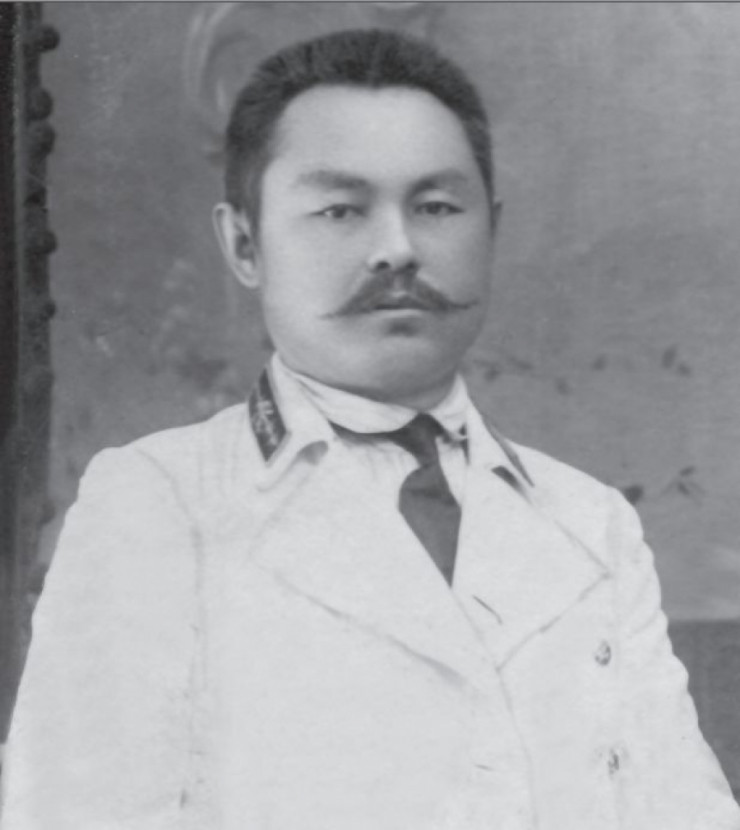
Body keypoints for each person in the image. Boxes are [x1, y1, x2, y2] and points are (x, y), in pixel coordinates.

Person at [1, 27, 738, 830]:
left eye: (436, 207)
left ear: (490, 228)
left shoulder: (590, 522)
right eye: (340, 210)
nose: (398, 249)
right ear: (244, 243)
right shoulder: (162, 502)